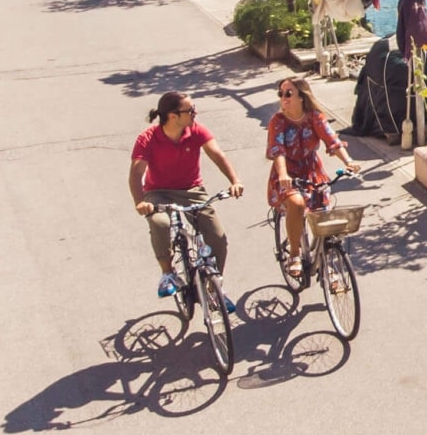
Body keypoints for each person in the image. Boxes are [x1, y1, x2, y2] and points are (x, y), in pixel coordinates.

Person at [129, 92, 244, 304]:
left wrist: (234, 180)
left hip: (192, 189)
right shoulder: (148, 138)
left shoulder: (196, 130)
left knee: (217, 237)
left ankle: (214, 287)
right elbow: (136, 174)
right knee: (160, 224)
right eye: (190, 110)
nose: (195, 113)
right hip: (158, 192)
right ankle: (168, 273)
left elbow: (217, 155)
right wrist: (141, 202)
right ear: (173, 116)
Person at [266, 77, 359, 278]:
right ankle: (294, 253)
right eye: (281, 94)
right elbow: (277, 150)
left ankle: (329, 267)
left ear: (302, 96)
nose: (284, 98)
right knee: (297, 204)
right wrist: (282, 174)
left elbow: (331, 140)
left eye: (288, 93)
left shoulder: (314, 117)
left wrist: (348, 161)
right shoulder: (278, 121)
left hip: (312, 171)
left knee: (325, 219)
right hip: (287, 174)